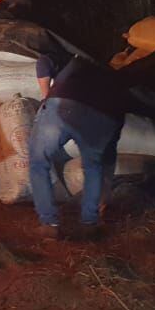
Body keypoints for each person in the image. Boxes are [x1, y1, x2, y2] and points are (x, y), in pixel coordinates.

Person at [28, 54, 130, 240]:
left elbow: (43, 62)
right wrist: (104, 193)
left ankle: (49, 224)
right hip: (105, 114)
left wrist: (47, 97)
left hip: (64, 103)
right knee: (93, 167)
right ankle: (89, 223)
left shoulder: (77, 55)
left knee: (39, 162)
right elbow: (109, 154)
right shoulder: (123, 82)